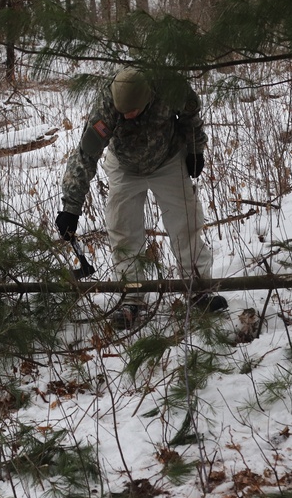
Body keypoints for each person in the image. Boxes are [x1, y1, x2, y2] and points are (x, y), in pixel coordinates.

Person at [55, 66, 227, 328]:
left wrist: (195, 149)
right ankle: (132, 298)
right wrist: (71, 207)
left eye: (133, 111)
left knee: (186, 225)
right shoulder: (107, 104)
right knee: (123, 231)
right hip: (124, 165)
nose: (127, 116)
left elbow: (191, 116)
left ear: (148, 98)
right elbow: (86, 154)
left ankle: (199, 289)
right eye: (123, 113)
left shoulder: (170, 87)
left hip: (168, 159)